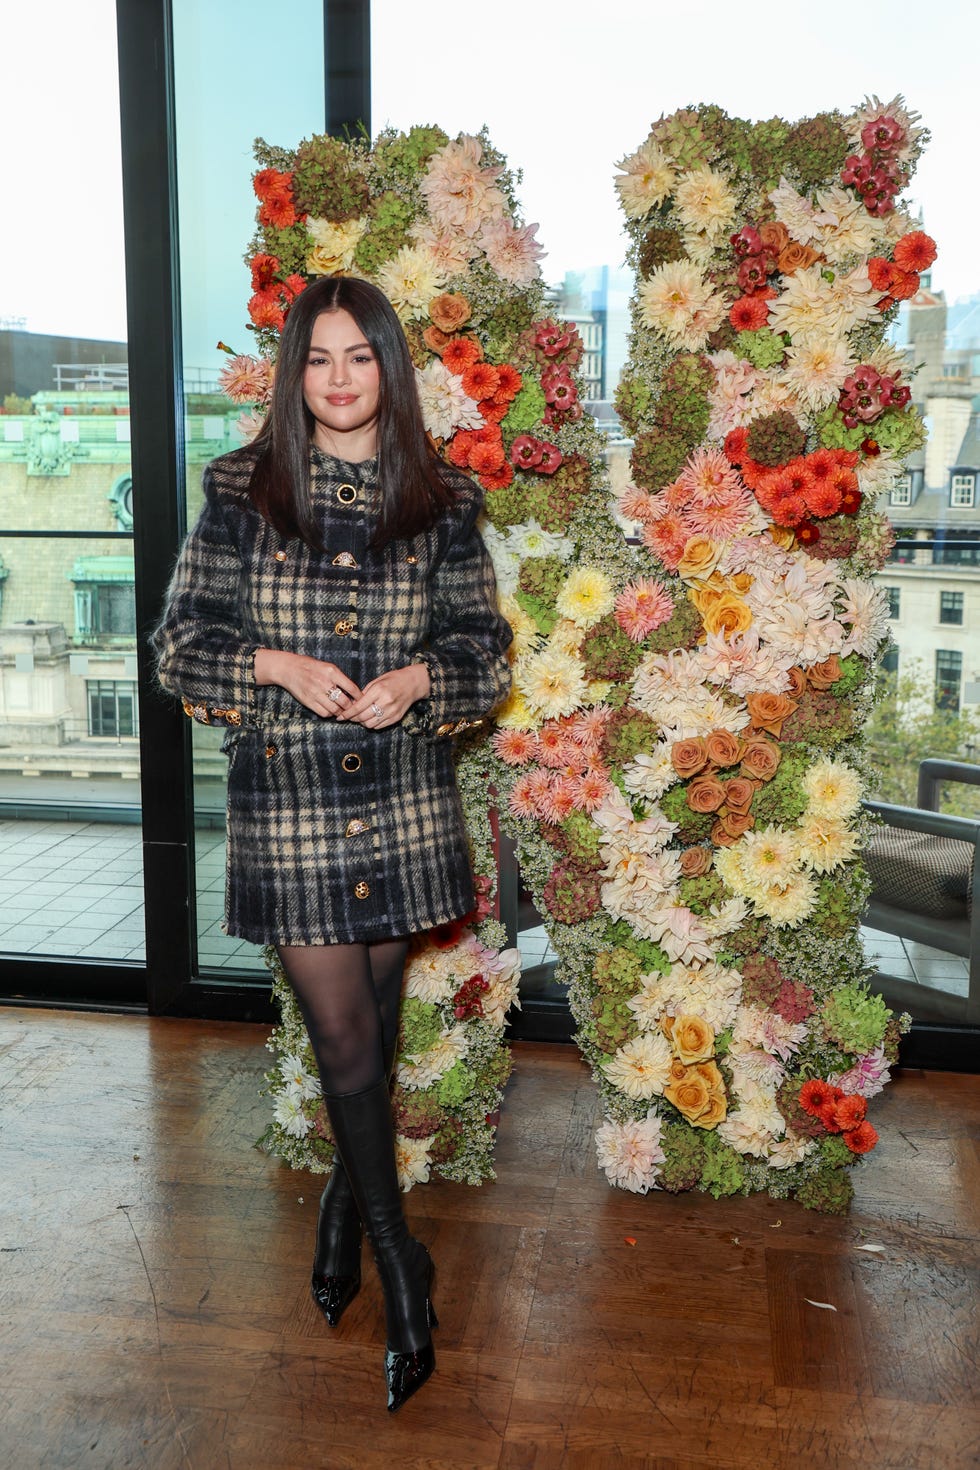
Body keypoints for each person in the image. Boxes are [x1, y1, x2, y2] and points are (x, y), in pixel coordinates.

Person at [154, 274, 513, 1411]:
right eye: (318, 358)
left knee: (377, 1019)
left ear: (387, 370)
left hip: (404, 798)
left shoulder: (442, 498)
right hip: (290, 806)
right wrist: (272, 666)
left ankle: (340, 1209)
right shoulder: (240, 489)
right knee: (344, 1037)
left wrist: (420, 678)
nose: (340, 379)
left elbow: (483, 652)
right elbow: (178, 646)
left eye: (360, 357)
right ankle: (401, 1263)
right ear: (292, 371)